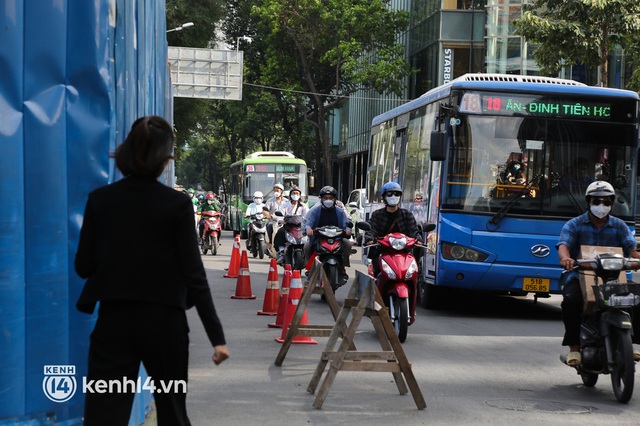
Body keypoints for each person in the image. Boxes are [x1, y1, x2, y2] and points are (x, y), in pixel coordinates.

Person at [74, 115, 229, 426]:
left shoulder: (100, 201)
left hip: (114, 323)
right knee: (172, 413)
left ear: (127, 152)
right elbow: (193, 275)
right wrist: (217, 338)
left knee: (104, 417)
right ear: (165, 160)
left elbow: (83, 267)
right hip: (165, 326)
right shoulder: (177, 205)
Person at [557, 180, 640, 366]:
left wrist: (637, 258)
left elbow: (632, 250)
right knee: (571, 301)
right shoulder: (575, 224)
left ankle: (631, 343)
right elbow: (564, 246)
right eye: (596, 201)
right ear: (589, 202)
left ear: (611, 203)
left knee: (635, 299)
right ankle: (575, 349)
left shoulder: (620, 226)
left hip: (614, 276)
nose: (601, 206)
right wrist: (566, 258)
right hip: (580, 276)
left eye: (606, 201)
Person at [364, 182, 423, 276]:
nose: (393, 196)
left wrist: (418, 239)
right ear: (384, 197)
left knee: (415, 273)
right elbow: (371, 229)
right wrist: (370, 238)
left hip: (404, 254)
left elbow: (413, 231)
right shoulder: (377, 215)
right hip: (382, 252)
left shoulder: (407, 214)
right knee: (378, 273)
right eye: (389, 194)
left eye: (397, 194)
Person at [304, 186, 352, 283]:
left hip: (337, 238)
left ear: (335, 199)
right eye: (325, 198)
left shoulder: (340, 211)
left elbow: (346, 224)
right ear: (321, 199)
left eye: (331, 198)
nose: (328, 200)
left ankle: (342, 268)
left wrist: (348, 230)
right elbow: (308, 222)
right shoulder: (315, 210)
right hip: (319, 238)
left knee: (347, 244)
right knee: (307, 247)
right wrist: (308, 229)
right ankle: (310, 269)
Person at [273, 187, 309, 263]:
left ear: (300, 195)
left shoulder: (303, 206)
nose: (295, 195)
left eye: (297, 193)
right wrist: (281, 220)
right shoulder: (285, 204)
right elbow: (280, 214)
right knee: (280, 232)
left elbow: (308, 216)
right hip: (288, 226)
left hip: (300, 227)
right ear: (290, 195)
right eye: (293, 193)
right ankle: (282, 252)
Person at [263, 183, 285, 252]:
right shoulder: (270, 201)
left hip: (283, 221)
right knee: (269, 226)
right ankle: (269, 244)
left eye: (277, 190)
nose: (276, 192)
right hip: (273, 221)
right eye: (275, 191)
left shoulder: (286, 201)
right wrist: (268, 216)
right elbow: (265, 210)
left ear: (281, 191)